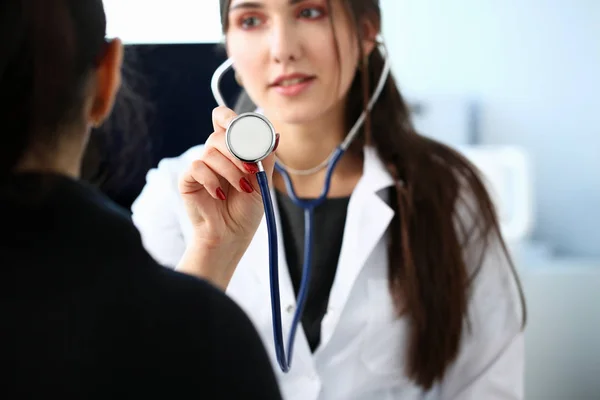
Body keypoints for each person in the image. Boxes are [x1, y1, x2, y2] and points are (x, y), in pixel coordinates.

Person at [131, 0, 527, 399]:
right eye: (251, 20)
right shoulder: (172, 194)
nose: (282, 48)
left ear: (367, 32)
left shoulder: (450, 192)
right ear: (229, 46)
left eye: (310, 12)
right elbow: (140, 380)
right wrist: (212, 251)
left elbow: (488, 385)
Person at [0, 0, 283, 398]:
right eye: (251, 20)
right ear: (107, 77)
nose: (282, 48)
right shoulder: (216, 337)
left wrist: (214, 251)